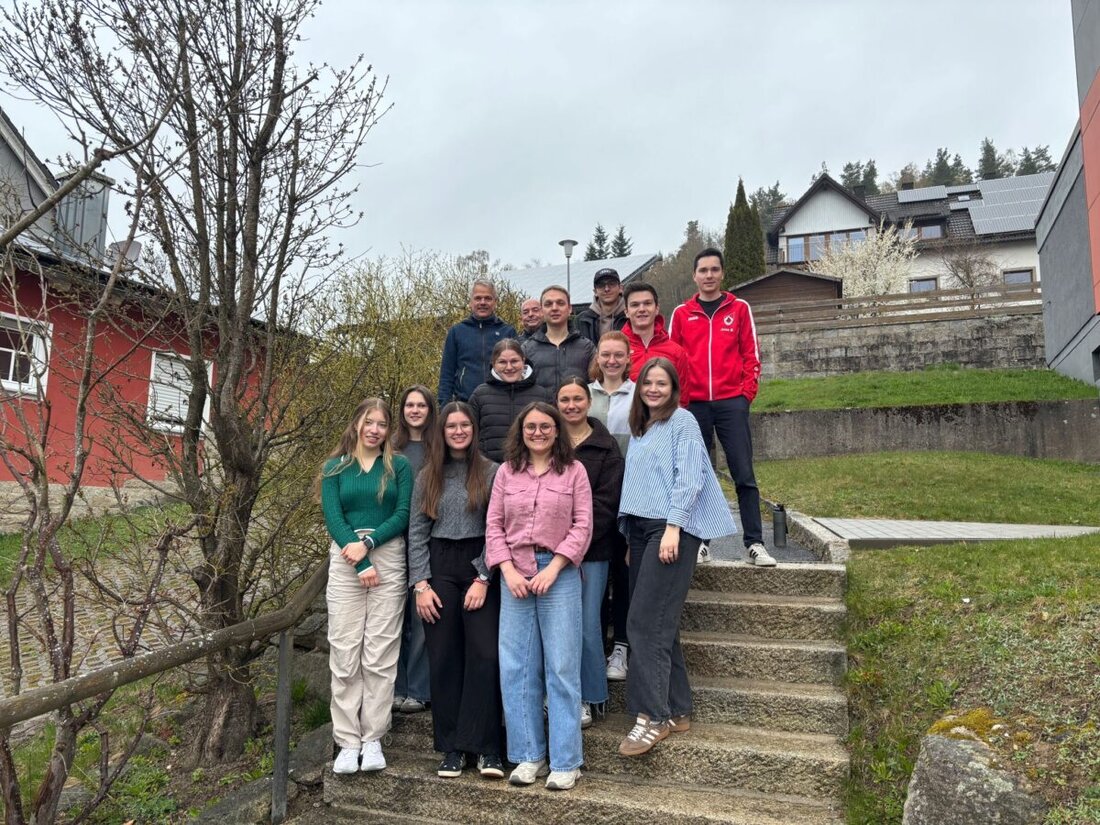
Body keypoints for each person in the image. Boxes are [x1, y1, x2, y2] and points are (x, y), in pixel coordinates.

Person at [616, 358, 736, 756]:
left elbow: (689, 477)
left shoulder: (682, 421)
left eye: (661, 383)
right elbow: (638, 484)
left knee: (642, 623)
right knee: (659, 624)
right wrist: (632, 539)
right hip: (642, 531)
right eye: (647, 382)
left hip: (670, 529)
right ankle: (679, 708)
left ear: (673, 388)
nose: (653, 389)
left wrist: (674, 527)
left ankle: (653, 716)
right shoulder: (642, 428)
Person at [485, 402, 592, 792]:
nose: (538, 432)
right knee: (516, 668)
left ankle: (566, 761)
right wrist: (508, 570)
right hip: (513, 574)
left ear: (556, 430)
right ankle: (530, 755)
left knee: (561, 667)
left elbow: (583, 525)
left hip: (558, 573)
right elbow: (493, 526)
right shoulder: (506, 474)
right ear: (521, 430)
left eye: (545, 426)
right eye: (531, 426)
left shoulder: (574, 471)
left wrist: (555, 567)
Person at [408, 402, 505, 780]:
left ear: (474, 430)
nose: (459, 431)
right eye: (452, 426)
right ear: (442, 431)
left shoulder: (493, 472)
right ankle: (451, 748)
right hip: (439, 566)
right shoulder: (427, 475)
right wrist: (421, 584)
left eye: (465, 425)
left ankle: (487, 748)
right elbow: (416, 532)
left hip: (480, 561)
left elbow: (498, 528)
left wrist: (484, 577)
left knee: (484, 653)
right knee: (444, 656)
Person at [319, 397, 413, 774]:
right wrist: (359, 559)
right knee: (345, 654)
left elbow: (403, 513)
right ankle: (347, 741)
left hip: (387, 555)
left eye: (382, 424)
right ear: (357, 423)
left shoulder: (399, 466)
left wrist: (370, 547)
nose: (375, 429)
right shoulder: (334, 468)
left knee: (380, 653)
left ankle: (373, 737)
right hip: (345, 559)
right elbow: (333, 517)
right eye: (369, 422)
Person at [669, 248, 776, 567]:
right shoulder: (681, 314)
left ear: (722, 274)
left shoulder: (739, 308)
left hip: (732, 403)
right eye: (703, 270)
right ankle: (701, 542)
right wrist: (682, 402)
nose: (709, 275)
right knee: (697, 474)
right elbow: (674, 360)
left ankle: (755, 543)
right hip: (695, 405)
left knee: (744, 474)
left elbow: (751, 355)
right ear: (694, 275)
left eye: (714, 269)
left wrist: (745, 395)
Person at [556, 378, 624, 729]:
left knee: (585, 623)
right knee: (559, 626)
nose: (571, 405)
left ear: (588, 402)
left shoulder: (605, 446)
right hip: (550, 552)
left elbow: (606, 503)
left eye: (577, 399)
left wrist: (572, 535)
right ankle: (561, 694)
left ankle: (590, 695)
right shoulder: (548, 442)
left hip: (592, 549)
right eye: (564, 399)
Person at [586, 331, 634, 681]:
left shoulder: (638, 396)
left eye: (619, 355)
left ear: (628, 358)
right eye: (606, 354)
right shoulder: (584, 396)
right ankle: (596, 646)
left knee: (623, 571)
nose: (612, 360)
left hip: (630, 492)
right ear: (598, 357)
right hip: (594, 496)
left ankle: (622, 646)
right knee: (597, 577)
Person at [390, 386, 436, 715]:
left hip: (427, 540)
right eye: (410, 405)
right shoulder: (391, 448)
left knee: (421, 620)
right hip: (393, 540)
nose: (415, 410)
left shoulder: (438, 447)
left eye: (421, 405)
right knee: (394, 618)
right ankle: (396, 686)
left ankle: (419, 688)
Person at [468, 339, 551, 462]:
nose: (509, 367)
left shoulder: (542, 395)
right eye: (502, 362)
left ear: (523, 361)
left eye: (514, 361)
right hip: (489, 471)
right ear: (494, 364)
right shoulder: (479, 395)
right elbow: (470, 434)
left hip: (532, 468)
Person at [439, 279, 517, 405]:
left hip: (500, 404)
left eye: (488, 298)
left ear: (495, 302)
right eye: (478, 298)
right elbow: (447, 374)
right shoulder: (456, 332)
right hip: (466, 405)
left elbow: (517, 371)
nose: (483, 302)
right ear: (470, 302)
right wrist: (444, 406)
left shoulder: (508, 332)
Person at [621, 282, 692, 406]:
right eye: (635, 305)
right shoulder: (616, 351)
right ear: (626, 311)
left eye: (647, 303)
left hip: (666, 421)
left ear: (657, 308)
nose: (642, 309)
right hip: (625, 422)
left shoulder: (676, 352)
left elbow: (682, 399)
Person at [521, 285, 595, 394]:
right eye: (548, 304)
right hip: (540, 410)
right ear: (541, 310)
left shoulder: (587, 347)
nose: (554, 308)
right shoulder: (527, 349)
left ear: (569, 309)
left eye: (560, 303)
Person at [575, 267, 627, 347]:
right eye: (601, 285)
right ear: (595, 292)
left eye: (611, 284)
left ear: (620, 288)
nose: (606, 289)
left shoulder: (630, 317)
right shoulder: (582, 320)